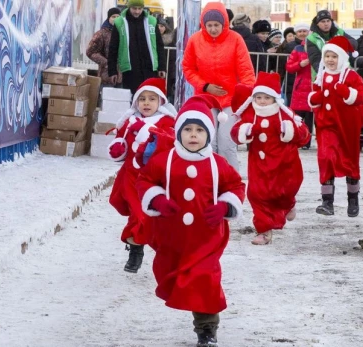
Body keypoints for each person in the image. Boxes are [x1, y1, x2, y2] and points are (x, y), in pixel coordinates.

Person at [136, 95, 245, 347]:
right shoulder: (164, 161)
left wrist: (225, 205)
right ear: (179, 132)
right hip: (172, 239)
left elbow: (236, 185)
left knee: (205, 280)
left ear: (208, 133)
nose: (193, 135)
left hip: (206, 238)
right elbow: (145, 180)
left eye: (199, 130)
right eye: (187, 129)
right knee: (173, 277)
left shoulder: (218, 164)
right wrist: (157, 200)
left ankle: (206, 330)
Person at [230, 72, 309, 245]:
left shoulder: (285, 114)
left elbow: (304, 135)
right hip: (259, 165)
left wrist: (290, 131)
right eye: (258, 97)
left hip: (284, 165)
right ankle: (264, 231)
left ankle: (288, 204)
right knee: (256, 194)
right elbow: (235, 133)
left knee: (283, 191)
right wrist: (245, 131)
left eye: (267, 97)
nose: (262, 101)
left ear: (275, 98)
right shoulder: (250, 115)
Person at [107, 78, 176, 273]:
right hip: (130, 177)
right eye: (142, 99)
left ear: (161, 101)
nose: (146, 103)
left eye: (152, 99)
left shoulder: (167, 122)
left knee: (146, 216)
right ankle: (137, 251)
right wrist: (118, 148)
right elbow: (120, 143)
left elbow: (171, 146)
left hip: (154, 180)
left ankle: (143, 250)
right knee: (139, 213)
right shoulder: (128, 121)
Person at [182, 2, 256, 172]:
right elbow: (188, 68)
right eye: (209, 25)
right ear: (203, 24)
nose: (213, 29)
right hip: (206, 99)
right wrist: (205, 86)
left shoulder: (236, 39)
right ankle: (209, 176)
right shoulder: (195, 40)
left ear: (224, 24)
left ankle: (232, 179)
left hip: (231, 99)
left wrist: (245, 98)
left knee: (226, 141)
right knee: (209, 140)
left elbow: (246, 72)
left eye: (217, 25)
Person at [308, 36, 363, 217]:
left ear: (342, 58)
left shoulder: (350, 75)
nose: (330, 60)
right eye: (327, 56)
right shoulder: (321, 75)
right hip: (326, 125)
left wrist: (348, 93)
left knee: (350, 161)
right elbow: (313, 95)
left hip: (347, 126)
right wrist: (315, 99)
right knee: (326, 157)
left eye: (334, 56)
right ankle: (327, 202)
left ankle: (353, 199)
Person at [107, 0, 166, 94]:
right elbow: (113, 48)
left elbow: (159, 45)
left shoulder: (151, 21)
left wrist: (162, 67)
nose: (137, 11)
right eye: (134, 8)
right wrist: (112, 71)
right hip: (130, 70)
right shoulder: (119, 23)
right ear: (129, 7)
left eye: (140, 8)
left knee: (149, 97)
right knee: (133, 98)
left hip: (149, 69)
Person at [307, 9, 357, 80]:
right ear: (317, 23)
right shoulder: (312, 38)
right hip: (323, 76)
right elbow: (315, 60)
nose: (326, 24)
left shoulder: (339, 32)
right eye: (323, 21)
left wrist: (340, 43)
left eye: (328, 21)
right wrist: (329, 73)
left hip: (344, 73)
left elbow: (354, 43)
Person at [286, 29, 314, 149]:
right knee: (298, 115)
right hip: (301, 86)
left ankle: (306, 142)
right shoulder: (298, 49)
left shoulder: (319, 50)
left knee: (310, 116)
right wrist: (300, 64)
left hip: (313, 86)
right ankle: (297, 138)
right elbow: (289, 67)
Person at [86, 8, 121, 88]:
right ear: (109, 18)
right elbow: (90, 52)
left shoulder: (123, 33)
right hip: (106, 76)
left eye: (118, 17)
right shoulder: (101, 34)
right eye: (113, 16)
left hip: (121, 77)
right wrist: (106, 62)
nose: (115, 19)